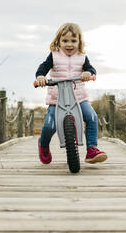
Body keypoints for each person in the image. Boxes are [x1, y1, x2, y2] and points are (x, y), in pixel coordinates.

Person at [35, 22, 107, 165]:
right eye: (65, 41)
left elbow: (91, 69)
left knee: (92, 117)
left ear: (79, 42)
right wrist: (40, 77)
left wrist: (88, 73)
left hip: (78, 98)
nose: (69, 44)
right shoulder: (54, 56)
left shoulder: (82, 57)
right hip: (57, 99)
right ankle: (43, 144)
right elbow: (42, 68)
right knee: (50, 125)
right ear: (58, 41)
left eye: (73, 41)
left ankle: (92, 148)